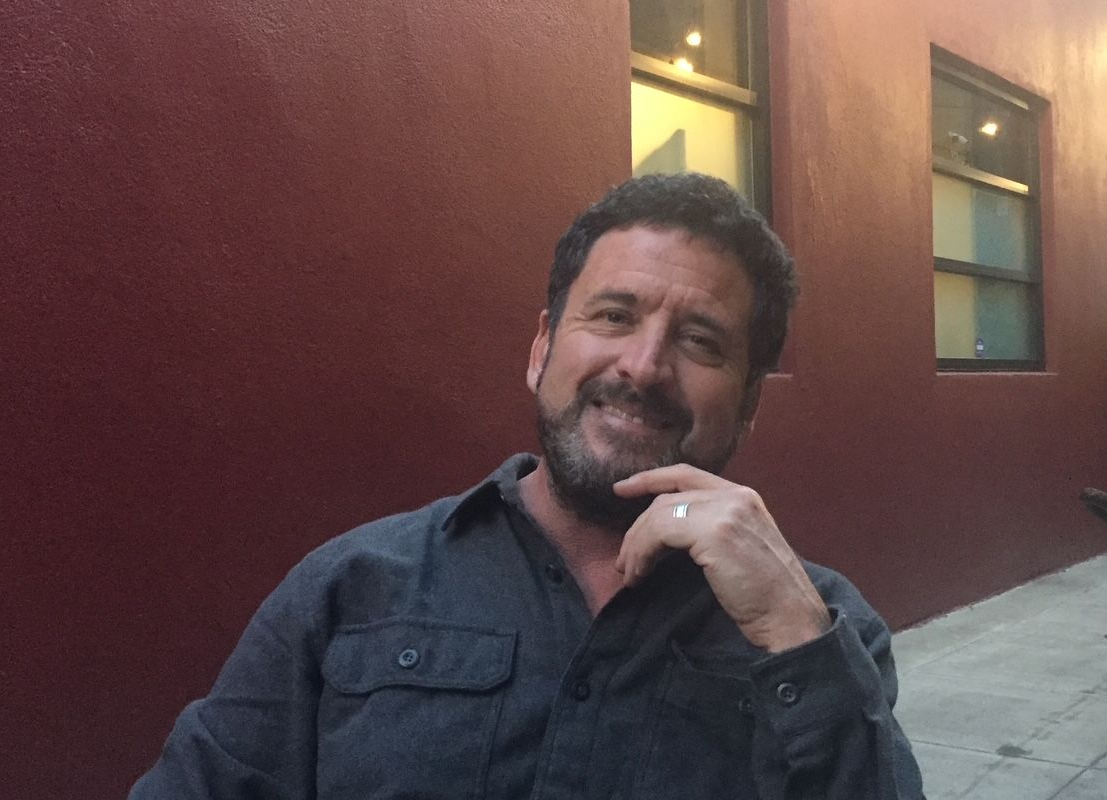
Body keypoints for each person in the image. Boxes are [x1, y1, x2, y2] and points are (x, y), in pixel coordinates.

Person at [130, 173, 926, 799]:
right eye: (612, 316)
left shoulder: (823, 632)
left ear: (747, 404)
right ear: (542, 349)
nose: (643, 366)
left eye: (699, 341)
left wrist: (794, 634)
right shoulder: (349, 587)